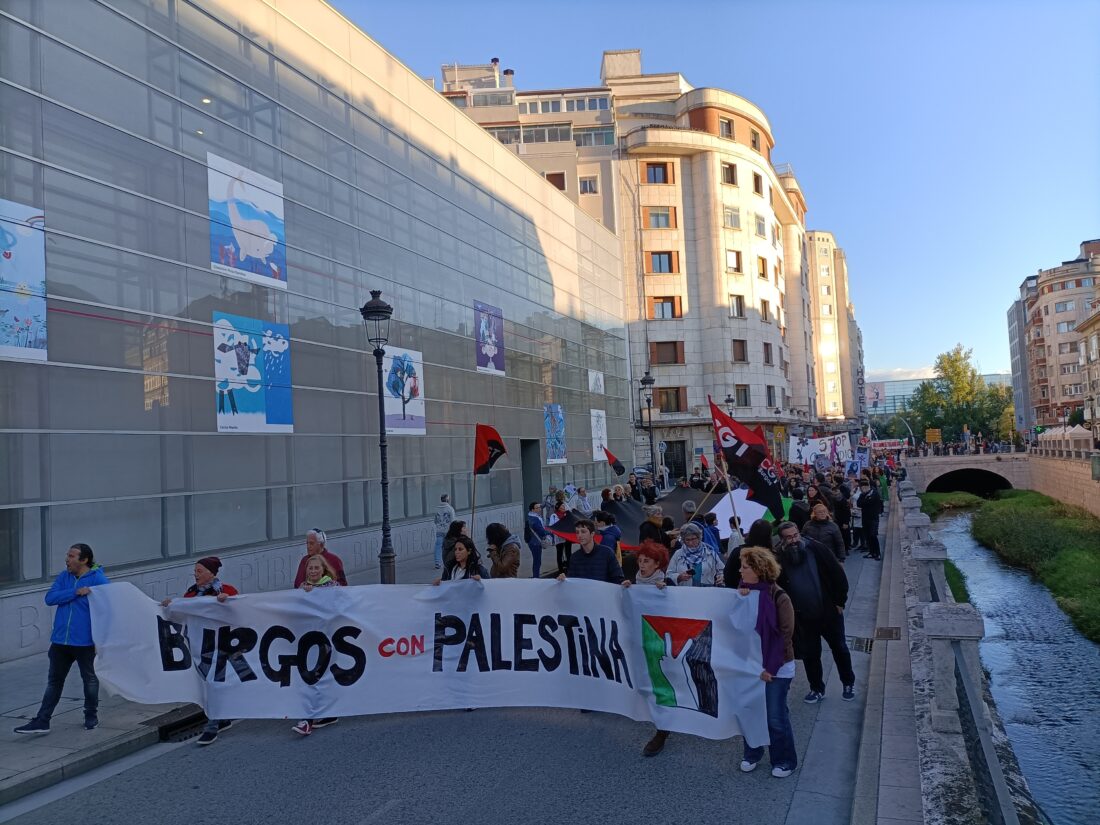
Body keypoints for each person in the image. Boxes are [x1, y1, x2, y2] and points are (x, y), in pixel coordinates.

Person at [15, 544, 110, 735]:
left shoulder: (98, 579)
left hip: (85, 642)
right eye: (67, 555)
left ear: (84, 560)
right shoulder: (64, 576)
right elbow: (50, 598)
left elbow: (107, 609)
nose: (67, 559)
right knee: (54, 682)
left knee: (90, 681)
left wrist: (101, 640)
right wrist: (75, 592)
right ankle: (42, 721)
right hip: (60, 641)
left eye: (72, 556)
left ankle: (91, 717)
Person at [161, 557, 249, 745]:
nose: (196, 574)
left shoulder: (227, 591)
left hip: (224, 646)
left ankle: (212, 726)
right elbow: (180, 614)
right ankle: (222, 718)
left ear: (211, 573)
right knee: (209, 683)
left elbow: (239, 612)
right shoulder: (192, 594)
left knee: (213, 683)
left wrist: (226, 602)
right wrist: (170, 605)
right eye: (195, 571)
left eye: (199, 571)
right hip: (201, 647)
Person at [775, 522, 856, 703]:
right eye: (788, 537)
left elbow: (838, 575)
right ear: (782, 540)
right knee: (811, 654)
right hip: (802, 616)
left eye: (795, 535)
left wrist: (839, 602)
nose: (794, 540)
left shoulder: (817, 549)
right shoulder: (778, 558)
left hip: (828, 612)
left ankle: (848, 682)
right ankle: (816, 688)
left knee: (840, 648)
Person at [737, 545, 798, 778]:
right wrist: (740, 599)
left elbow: (784, 636)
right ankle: (752, 752)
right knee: (750, 710)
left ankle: (784, 760)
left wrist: (770, 668)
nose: (740, 572)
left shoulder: (779, 597)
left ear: (759, 570)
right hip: (751, 665)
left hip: (777, 667)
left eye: (745, 568)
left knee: (775, 715)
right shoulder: (743, 592)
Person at [632, 540, 674, 757]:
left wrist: (666, 592)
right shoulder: (634, 584)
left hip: (659, 643)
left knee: (660, 682)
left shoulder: (666, 584)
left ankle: (663, 729)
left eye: (646, 561)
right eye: (640, 560)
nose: (642, 565)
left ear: (658, 564)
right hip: (639, 640)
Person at [293, 556, 340, 736]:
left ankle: (308, 720)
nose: (312, 571)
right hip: (309, 639)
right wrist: (304, 594)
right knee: (314, 676)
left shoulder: (333, 587)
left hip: (328, 639)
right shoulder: (302, 589)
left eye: (316, 568)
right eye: (310, 568)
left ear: (323, 569)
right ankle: (324, 714)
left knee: (317, 676)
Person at [556, 520, 629, 586]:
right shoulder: (574, 557)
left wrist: (623, 583)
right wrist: (564, 580)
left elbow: (618, 578)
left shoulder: (607, 553)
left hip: (603, 597)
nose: (579, 535)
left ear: (592, 534)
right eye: (577, 532)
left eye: (583, 531)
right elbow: (572, 582)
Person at [858, 478, 884, 561]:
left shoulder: (874, 493)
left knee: (873, 535)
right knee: (867, 536)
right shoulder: (862, 495)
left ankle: (878, 553)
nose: (863, 489)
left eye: (864, 487)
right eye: (862, 488)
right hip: (865, 518)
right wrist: (865, 498)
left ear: (868, 486)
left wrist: (865, 500)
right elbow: (859, 504)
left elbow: (869, 502)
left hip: (873, 518)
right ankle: (871, 552)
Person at [524, 501, 551, 578]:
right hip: (535, 542)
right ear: (532, 510)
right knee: (537, 561)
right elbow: (541, 531)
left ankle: (536, 576)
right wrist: (550, 533)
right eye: (537, 508)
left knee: (536, 560)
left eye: (540, 507)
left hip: (532, 541)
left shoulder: (532, 517)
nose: (540, 509)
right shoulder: (534, 519)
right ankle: (536, 577)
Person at [433, 494, 456, 570]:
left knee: (438, 546)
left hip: (439, 530)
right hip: (448, 531)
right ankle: (449, 561)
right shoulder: (450, 509)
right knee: (449, 546)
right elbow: (453, 521)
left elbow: (435, 521)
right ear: (447, 500)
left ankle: (437, 562)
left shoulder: (437, 509)